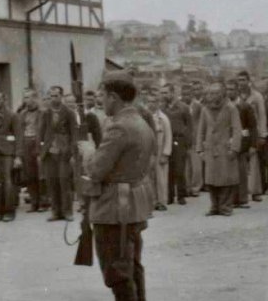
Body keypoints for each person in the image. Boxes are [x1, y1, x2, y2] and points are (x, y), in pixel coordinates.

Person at [84, 70, 155, 301]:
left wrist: (86, 150)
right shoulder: (141, 122)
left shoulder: (119, 127)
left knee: (117, 273)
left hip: (115, 210)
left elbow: (96, 170)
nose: (100, 101)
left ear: (113, 97)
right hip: (132, 207)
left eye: (102, 96)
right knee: (132, 268)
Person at [196, 81, 242, 216]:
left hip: (225, 149)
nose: (212, 96)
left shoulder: (231, 108)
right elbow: (201, 131)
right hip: (210, 150)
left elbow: (237, 129)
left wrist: (234, 148)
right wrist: (199, 149)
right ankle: (214, 206)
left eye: (215, 93)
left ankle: (226, 207)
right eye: (210, 93)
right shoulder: (205, 110)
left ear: (222, 94)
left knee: (226, 180)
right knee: (211, 180)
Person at [39, 86, 78, 222]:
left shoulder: (69, 112)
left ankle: (67, 211)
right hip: (49, 152)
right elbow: (41, 132)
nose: (53, 99)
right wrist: (41, 150)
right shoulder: (46, 113)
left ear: (61, 96)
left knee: (64, 181)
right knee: (52, 181)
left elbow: (74, 134)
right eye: (50, 96)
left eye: (55, 96)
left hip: (64, 151)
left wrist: (72, 152)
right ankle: (55, 211)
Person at [0, 91, 20, 222]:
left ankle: (9, 211)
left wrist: (18, 156)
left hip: (8, 152)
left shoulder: (12, 116)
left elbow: (19, 137)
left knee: (7, 182)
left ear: (4, 100)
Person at [237, 71, 268, 202]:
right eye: (239, 80)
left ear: (248, 81)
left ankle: (256, 191)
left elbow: (262, 116)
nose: (241, 82)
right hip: (240, 131)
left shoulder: (257, 96)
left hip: (253, 131)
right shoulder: (236, 96)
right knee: (240, 162)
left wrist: (262, 135)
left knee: (254, 160)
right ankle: (241, 192)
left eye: (243, 80)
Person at [227, 79, 258, 209]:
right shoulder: (225, 107)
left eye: (232, 89)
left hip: (242, 144)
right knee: (229, 173)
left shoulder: (245, 107)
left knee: (242, 172)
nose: (230, 92)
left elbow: (252, 127)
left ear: (238, 91)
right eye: (227, 89)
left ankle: (243, 199)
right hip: (228, 144)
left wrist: (253, 145)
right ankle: (231, 199)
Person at [160, 83, 192, 206]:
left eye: (166, 93)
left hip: (179, 140)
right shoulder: (162, 108)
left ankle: (181, 195)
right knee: (169, 169)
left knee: (179, 169)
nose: (164, 95)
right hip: (166, 141)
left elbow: (189, 125)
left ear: (172, 93)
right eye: (162, 93)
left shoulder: (183, 107)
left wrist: (188, 143)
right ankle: (169, 196)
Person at [17, 89, 45, 212]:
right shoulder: (22, 114)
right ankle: (34, 202)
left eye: (29, 97)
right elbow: (19, 132)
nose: (27, 100)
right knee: (30, 174)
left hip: (39, 143)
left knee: (41, 173)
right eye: (25, 98)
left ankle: (43, 202)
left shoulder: (42, 113)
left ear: (35, 98)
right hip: (26, 143)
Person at [147, 93, 172, 211]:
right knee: (149, 178)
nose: (151, 104)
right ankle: (151, 201)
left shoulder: (163, 118)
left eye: (153, 101)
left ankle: (161, 201)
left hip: (160, 150)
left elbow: (168, 137)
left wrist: (166, 153)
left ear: (157, 103)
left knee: (161, 178)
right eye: (149, 101)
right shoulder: (145, 117)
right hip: (149, 151)